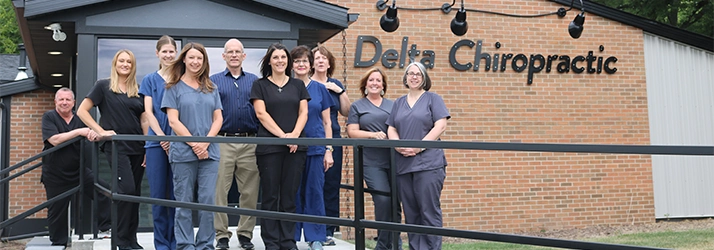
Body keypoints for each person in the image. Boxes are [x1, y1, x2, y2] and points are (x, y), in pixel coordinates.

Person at [77, 49, 147, 250]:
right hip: (117, 148)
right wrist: (101, 131)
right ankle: (120, 240)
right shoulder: (103, 86)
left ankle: (131, 239)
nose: (125, 64)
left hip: (137, 147)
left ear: (133, 66)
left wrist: (147, 148)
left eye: (129, 62)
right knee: (126, 191)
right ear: (115, 63)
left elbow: (143, 119)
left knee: (134, 195)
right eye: (122, 61)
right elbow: (82, 110)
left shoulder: (137, 89)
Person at [161, 42, 223, 250]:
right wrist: (195, 143)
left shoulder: (211, 88)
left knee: (207, 202)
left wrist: (205, 142)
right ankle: (186, 245)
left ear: (204, 62)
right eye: (192, 57)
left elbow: (218, 119)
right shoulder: (173, 88)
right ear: (184, 59)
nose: (196, 61)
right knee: (184, 203)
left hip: (209, 153)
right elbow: (173, 121)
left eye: (200, 58)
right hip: (183, 154)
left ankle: (205, 245)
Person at [250, 43, 309, 250]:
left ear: (288, 61)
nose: (280, 61)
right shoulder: (260, 85)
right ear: (269, 61)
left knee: (289, 197)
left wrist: (294, 136)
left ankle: (288, 241)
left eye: (283, 57)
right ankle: (272, 242)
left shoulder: (298, 86)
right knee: (270, 196)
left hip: (295, 148)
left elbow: (304, 113)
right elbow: (261, 114)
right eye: (275, 57)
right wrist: (284, 136)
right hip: (270, 149)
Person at [386, 62, 450, 250]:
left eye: (418, 74)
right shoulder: (398, 102)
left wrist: (418, 147)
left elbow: (440, 126)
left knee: (428, 211)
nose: (414, 77)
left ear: (424, 78)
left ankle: (431, 248)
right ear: (405, 78)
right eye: (410, 74)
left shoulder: (433, 99)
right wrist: (398, 146)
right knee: (411, 212)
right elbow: (391, 127)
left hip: (428, 164)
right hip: (404, 164)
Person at [41, 88, 112, 247]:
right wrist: (80, 131)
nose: (64, 102)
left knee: (103, 190)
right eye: (61, 99)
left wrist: (99, 134)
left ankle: (105, 229)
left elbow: (94, 133)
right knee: (56, 211)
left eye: (68, 100)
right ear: (56, 102)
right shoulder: (49, 117)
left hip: (78, 171)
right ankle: (59, 244)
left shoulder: (80, 118)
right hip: (55, 173)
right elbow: (54, 140)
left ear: (74, 103)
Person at [211, 38, 260, 250]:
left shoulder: (254, 81)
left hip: (250, 140)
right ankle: (222, 236)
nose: (233, 55)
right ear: (224, 56)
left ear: (243, 56)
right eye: (229, 52)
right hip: (223, 140)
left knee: (249, 191)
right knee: (219, 191)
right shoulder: (213, 81)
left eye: (237, 51)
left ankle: (245, 234)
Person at [346, 68, 402, 250]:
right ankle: (383, 245)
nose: (375, 83)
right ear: (365, 84)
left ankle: (395, 244)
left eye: (378, 80)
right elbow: (352, 132)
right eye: (371, 80)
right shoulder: (357, 106)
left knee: (395, 202)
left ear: (383, 85)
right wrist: (372, 135)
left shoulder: (393, 105)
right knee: (383, 200)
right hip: (371, 161)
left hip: (394, 160)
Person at [291, 45, 335, 250]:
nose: (301, 64)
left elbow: (327, 122)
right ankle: (290, 236)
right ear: (292, 65)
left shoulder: (319, 89)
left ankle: (315, 237)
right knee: (292, 192)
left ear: (310, 65)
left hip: (316, 147)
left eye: (304, 61)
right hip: (291, 149)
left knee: (315, 192)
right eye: (297, 61)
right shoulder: (288, 86)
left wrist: (329, 149)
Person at [138, 35, 177, 250]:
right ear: (157, 53)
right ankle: (162, 244)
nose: (168, 55)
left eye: (172, 51)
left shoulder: (181, 77)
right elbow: (148, 112)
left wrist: (175, 138)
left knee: (177, 195)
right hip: (156, 145)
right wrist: (162, 138)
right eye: (165, 51)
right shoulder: (149, 80)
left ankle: (177, 241)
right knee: (159, 195)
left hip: (180, 143)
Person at [310, 46, 350, 245]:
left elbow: (347, 112)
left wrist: (340, 91)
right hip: (311, 137)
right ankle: (311, 227)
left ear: (329, 62)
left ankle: (328, 229)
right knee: (312, 184)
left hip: (333, 138)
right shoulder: (306, 84)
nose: (320, 61)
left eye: (323, 58)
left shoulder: (335, 84)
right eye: (316, 58)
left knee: (331, 184)